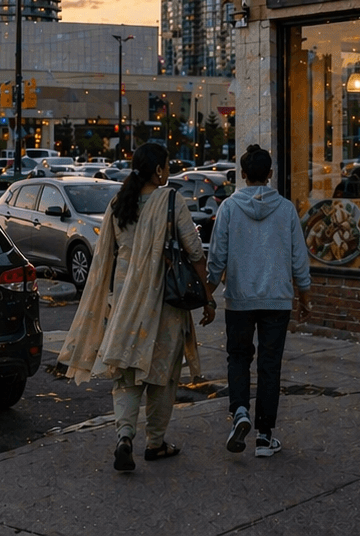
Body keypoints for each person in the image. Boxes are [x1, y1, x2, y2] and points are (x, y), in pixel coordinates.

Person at [58, 142, 215, 473]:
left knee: (127, 374)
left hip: (126, 302)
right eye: (167, 165)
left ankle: (124, 437)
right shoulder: (170, 200)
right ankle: (155, 442)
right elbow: (196, 253)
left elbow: (106, 258)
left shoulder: (118, 204)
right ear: (158, 170)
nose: (169, 170)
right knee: (161, 375)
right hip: (165, 305)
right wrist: (208, 295)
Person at [207, 144, 312, 458]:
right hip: (277, 300)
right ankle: (265, 437)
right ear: (269, 174)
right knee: (270, 367)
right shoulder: (286, 209)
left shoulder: (228, 208)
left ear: (242, 174)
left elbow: (216, 258)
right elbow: (299, 258)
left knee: (238, 358)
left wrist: (207, 297)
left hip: (240, 299)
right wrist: (304, 295)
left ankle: (240, 412)